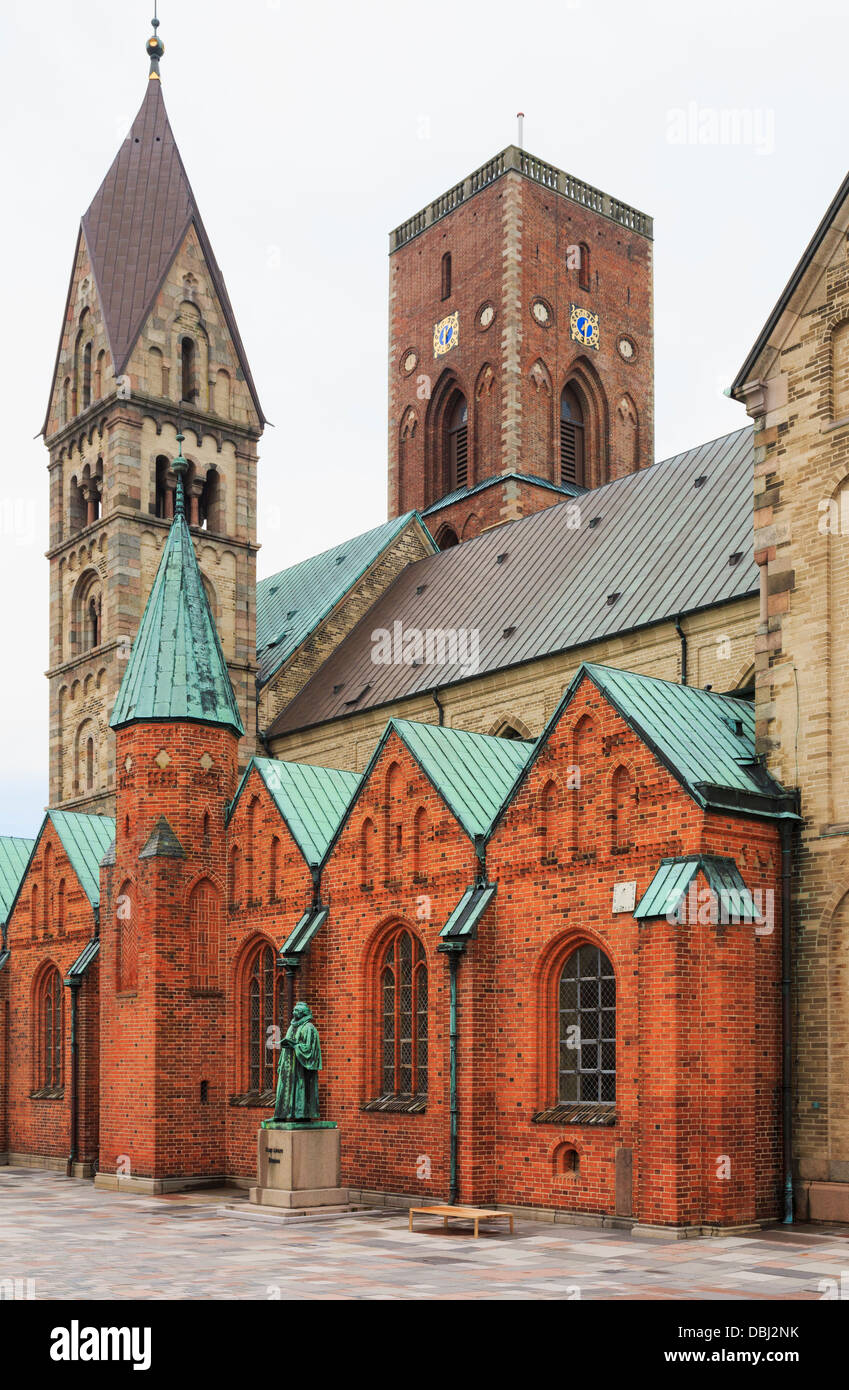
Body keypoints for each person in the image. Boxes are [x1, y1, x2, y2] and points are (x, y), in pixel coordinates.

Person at [272, 1001, 322, 1121]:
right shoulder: (292, 1027)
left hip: (300, 1067)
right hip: (288, 1064)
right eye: (294, 1010)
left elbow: (310, 1049)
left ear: (302, 1013)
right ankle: (283, 1114)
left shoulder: (309, 1028)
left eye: (296, 1011)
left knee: (300, 1088)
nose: (293, 1013)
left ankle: (301, 1115)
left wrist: (296, 1047)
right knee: (285, 1087)